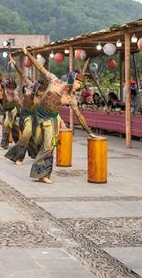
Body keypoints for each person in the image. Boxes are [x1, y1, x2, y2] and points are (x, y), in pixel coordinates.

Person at [21, 45, 97, 184]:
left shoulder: (71, 98)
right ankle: (40, 168)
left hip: (52, 119)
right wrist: (27, 54)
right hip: (38, 115)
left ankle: (43, 173)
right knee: (39, 143)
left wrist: (89, 132)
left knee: (50, 145)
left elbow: (79, 116)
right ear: (72, 80)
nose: (79, 86)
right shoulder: (54, 80)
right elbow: (39, 67)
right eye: (78, 83)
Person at [5, 54, 42, 165]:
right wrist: (15, 64)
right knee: (27, 136)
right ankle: (26, 155)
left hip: (33, 117)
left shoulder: (42, 94)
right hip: (24, 115)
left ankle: (18, 156)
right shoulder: (29, 85)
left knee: (29, 136)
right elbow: (22, 74)